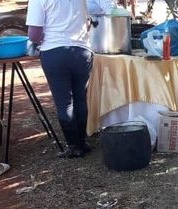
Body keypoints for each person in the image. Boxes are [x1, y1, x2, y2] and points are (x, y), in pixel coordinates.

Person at [26, 0, 115, 158]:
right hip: (82, 52)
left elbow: (34, 35)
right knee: (81, 98)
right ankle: (82, 142)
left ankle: (73, 146)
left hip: (54, 52)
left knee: (64, 102)